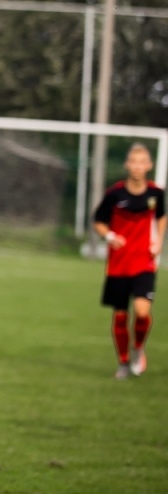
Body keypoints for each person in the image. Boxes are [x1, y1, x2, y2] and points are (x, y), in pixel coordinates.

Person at [93, 142, 164, 379]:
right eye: (133, 161)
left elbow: (162, 216)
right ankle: (123, 363)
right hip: (118, 264)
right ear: (127, 165)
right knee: (121, 315)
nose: (137, 166)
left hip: (144, 262)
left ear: (149, 166)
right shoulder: (114, 194)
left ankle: (138, 349)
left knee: (142, 311)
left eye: (142, 161)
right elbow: (98, 221)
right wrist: (110, 235)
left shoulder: (156, 194)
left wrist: (159, 240)